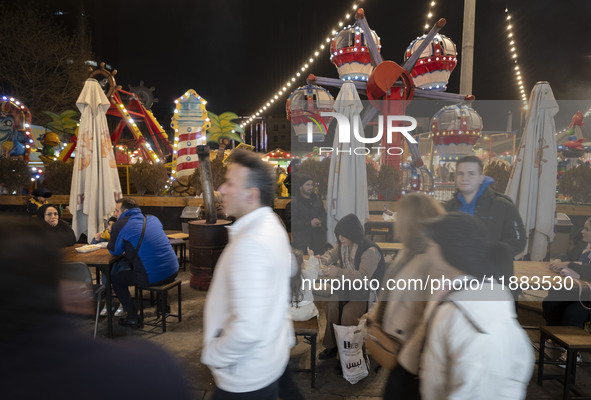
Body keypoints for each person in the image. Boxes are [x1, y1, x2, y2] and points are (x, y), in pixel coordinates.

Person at [0, 215, 192, 400]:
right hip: (170, 270)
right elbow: (115, 251)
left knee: (117, 276)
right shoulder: (151, 369)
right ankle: (131, 311)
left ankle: (129, 313)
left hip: (153, 275)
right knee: (119, 273)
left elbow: (112, 250)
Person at [201, 150, 293, 399]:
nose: (221, 188)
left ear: (251, 195)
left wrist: (213, 355)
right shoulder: (272, 225)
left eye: (230, 183)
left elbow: (248, 329)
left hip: (243, 377)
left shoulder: (251, 243)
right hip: (268, 362)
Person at [417, 212, 533, 399]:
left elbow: (443, 383)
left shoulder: (457, 312)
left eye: (430, 244)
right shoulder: (492, 293)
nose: (427, 250)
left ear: (447, 249)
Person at [378, 193, 445, 399]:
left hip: (414, 358)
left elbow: (433, 313)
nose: (397, 219)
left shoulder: (431, 260)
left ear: (411, 221)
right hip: (398, 349)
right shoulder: (406, 252)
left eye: (401, 215)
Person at [317, 213, 385, 366]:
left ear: (353, 234)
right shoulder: (343, 244)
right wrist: (324, 259)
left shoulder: (370, 251)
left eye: (344, 235)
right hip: (347, 288)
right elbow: (332, 254)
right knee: (333, 306)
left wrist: (338, 272)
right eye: (339, 235)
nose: (340, 238)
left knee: (348, 313)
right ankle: (332, 345)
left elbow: (363, 276)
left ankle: (349, 356)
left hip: (365, 292)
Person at [108, 198, 179, 327]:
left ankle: (132, 317)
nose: (114, 214)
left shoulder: (121, 224)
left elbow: (114, 251)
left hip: (152, 276)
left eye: (117, 211)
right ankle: (164, 306)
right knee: (153, 262)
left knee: (115, 279)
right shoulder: (153, 218)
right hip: (173, 270)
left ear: (125, 211)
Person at [445, 155, 526, 264]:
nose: (465, 178)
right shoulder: (450, 207)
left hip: (493, 275)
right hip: (457, 274)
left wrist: (487, 255)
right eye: (460, 173)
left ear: (480, 178)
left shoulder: (503, 206)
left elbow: (517, 242)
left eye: (471, 173)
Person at [543, 217, 591, 329]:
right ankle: (554, 336)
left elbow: (589, 271)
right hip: (573, 290)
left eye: (587, 229)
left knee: (572, 313)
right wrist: (560, 259)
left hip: (587, 297)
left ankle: (571, 343)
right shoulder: (583, 244)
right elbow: (568, 254)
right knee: (550, 303)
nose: (582, 231)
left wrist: (568, 264)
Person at [286, 174, 328, 254]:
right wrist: (309, 223)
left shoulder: (318, 201)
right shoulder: (294, 204)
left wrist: (320, 221)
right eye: (307, 185)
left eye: (312, 184)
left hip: (318, 244)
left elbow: (323, 214)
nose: (311, 187)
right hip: (302, 245)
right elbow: (291, 222)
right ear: (300, 187)